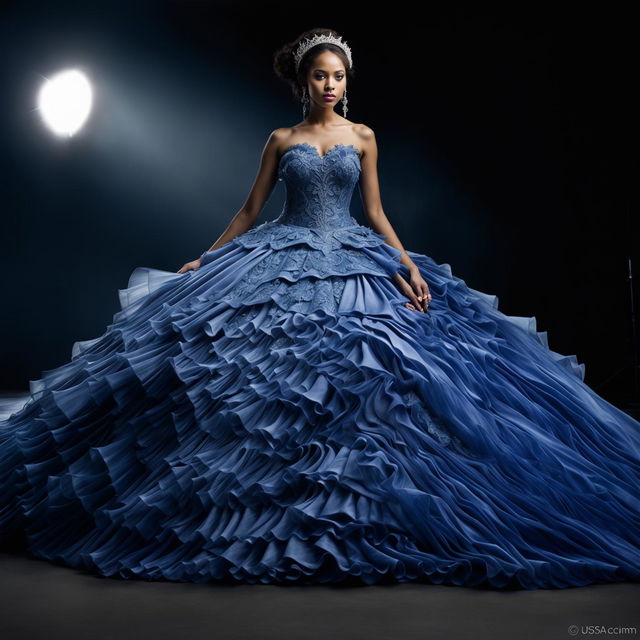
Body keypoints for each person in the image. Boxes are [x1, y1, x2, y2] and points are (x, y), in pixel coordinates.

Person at [0, 27, 639, 590]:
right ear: (302, 81)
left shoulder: (363, 136)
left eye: (338, 76)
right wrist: (205, 257)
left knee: (377, 371)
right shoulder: (282, 138)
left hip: (356, 257)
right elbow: (251, 211)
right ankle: (274, 509)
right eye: (320, 75)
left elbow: (377, 212)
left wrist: (408, 264)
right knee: (255, 379)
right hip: (280, 254)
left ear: (345, 82)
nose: (330, 85)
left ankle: (362, 504)